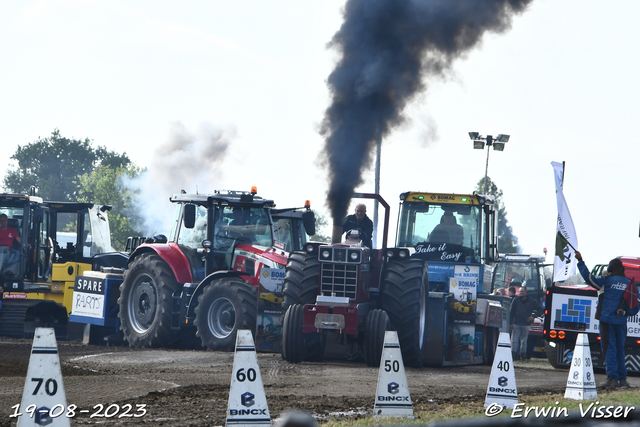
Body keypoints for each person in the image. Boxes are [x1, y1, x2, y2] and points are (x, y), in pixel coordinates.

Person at [576, 251, 638, 388]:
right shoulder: (630, 284)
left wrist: (580, 261)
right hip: (621, 322)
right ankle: (622, 380)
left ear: (611, 270)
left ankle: (612, 379)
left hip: (607, 321)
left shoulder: (606, 281)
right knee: (620, 350)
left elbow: (589, 278)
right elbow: (635, 306)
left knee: (609, 349)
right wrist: (626, 311)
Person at [509, 286, 542, 361]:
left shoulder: (531, 301)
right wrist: (510, 323)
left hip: (526, 324)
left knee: (524, 341)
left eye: (522, 291)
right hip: (516, 323)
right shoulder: (516, 300)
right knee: (514, 340)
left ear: (526, 292)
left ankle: (523, 356)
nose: (521, 293)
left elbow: (540, 309)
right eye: (520, 291)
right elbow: (511, 312)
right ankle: (513, 356)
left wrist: (533, 316)